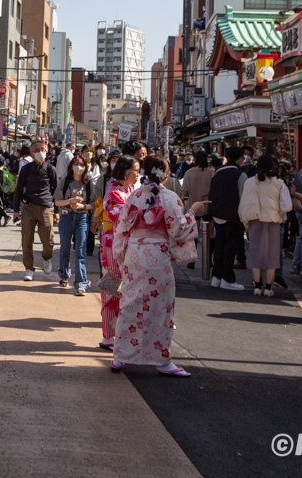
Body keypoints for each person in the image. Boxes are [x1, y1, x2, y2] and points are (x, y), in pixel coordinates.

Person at [109, 156, 206, 376]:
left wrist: (121, 256)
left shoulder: (135, 195)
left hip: (134, 251)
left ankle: (120, 356)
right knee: (161, 306)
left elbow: (122, 228)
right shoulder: (169, 198)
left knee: (130, 302)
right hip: (157, 252)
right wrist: (193, 212)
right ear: (164, 173)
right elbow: (179, 230)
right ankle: (162, 361)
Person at [96, 157, 139, 350]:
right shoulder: (113, 192)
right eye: (135, 170)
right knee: (112, 289)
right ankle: (108, 336)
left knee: (122, 290)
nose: (138, 174)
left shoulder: (128, 189)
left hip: (122, 244)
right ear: (124, 172)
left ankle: (117, 334)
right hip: (112, 245)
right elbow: (120, 216)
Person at [238, 154, 293, 296]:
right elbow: (287, 206)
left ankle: (257, 286)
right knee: (272, 254)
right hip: (273, 221)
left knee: (256, 253)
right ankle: (268, 288)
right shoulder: (279, 183)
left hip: (254, 221)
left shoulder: (249, 182)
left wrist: (245, 222)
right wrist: (277, 210)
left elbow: (243, 204)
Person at [14, 139, 58, 281]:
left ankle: (47, 258)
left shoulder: (51, 169)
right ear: (32, 153)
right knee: (27, 239)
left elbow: (57, 190)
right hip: (29, 207)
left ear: (46, 151)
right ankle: (29, 268)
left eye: (42, 149)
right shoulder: (26, 169)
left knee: (48, 239)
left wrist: (57, 210)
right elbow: (19, 189)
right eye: (36, 150)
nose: (40, 152)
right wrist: (16, 210)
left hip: (46, 207)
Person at [207, 148, 246, 291]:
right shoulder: (240, 174)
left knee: (219, 244)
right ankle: (227, 279)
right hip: (232, 214)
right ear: (240, 159)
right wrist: (244, 219)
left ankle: (216, 277)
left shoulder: (218, 171)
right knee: (230, 246)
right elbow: (243, 197)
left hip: (217, 212)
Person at [55, 154, 92, 294]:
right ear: (71, 166)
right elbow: (57, 201)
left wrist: (82, 206)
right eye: (76, 164)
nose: (79, 168)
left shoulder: (88, 184)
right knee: (64, 248)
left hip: (82, 218)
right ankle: (64, 275)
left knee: (80, 250)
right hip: (66, 217)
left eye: (82, 165)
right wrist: (70, 201)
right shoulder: (64, 182)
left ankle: (81, 283)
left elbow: (93, 204)